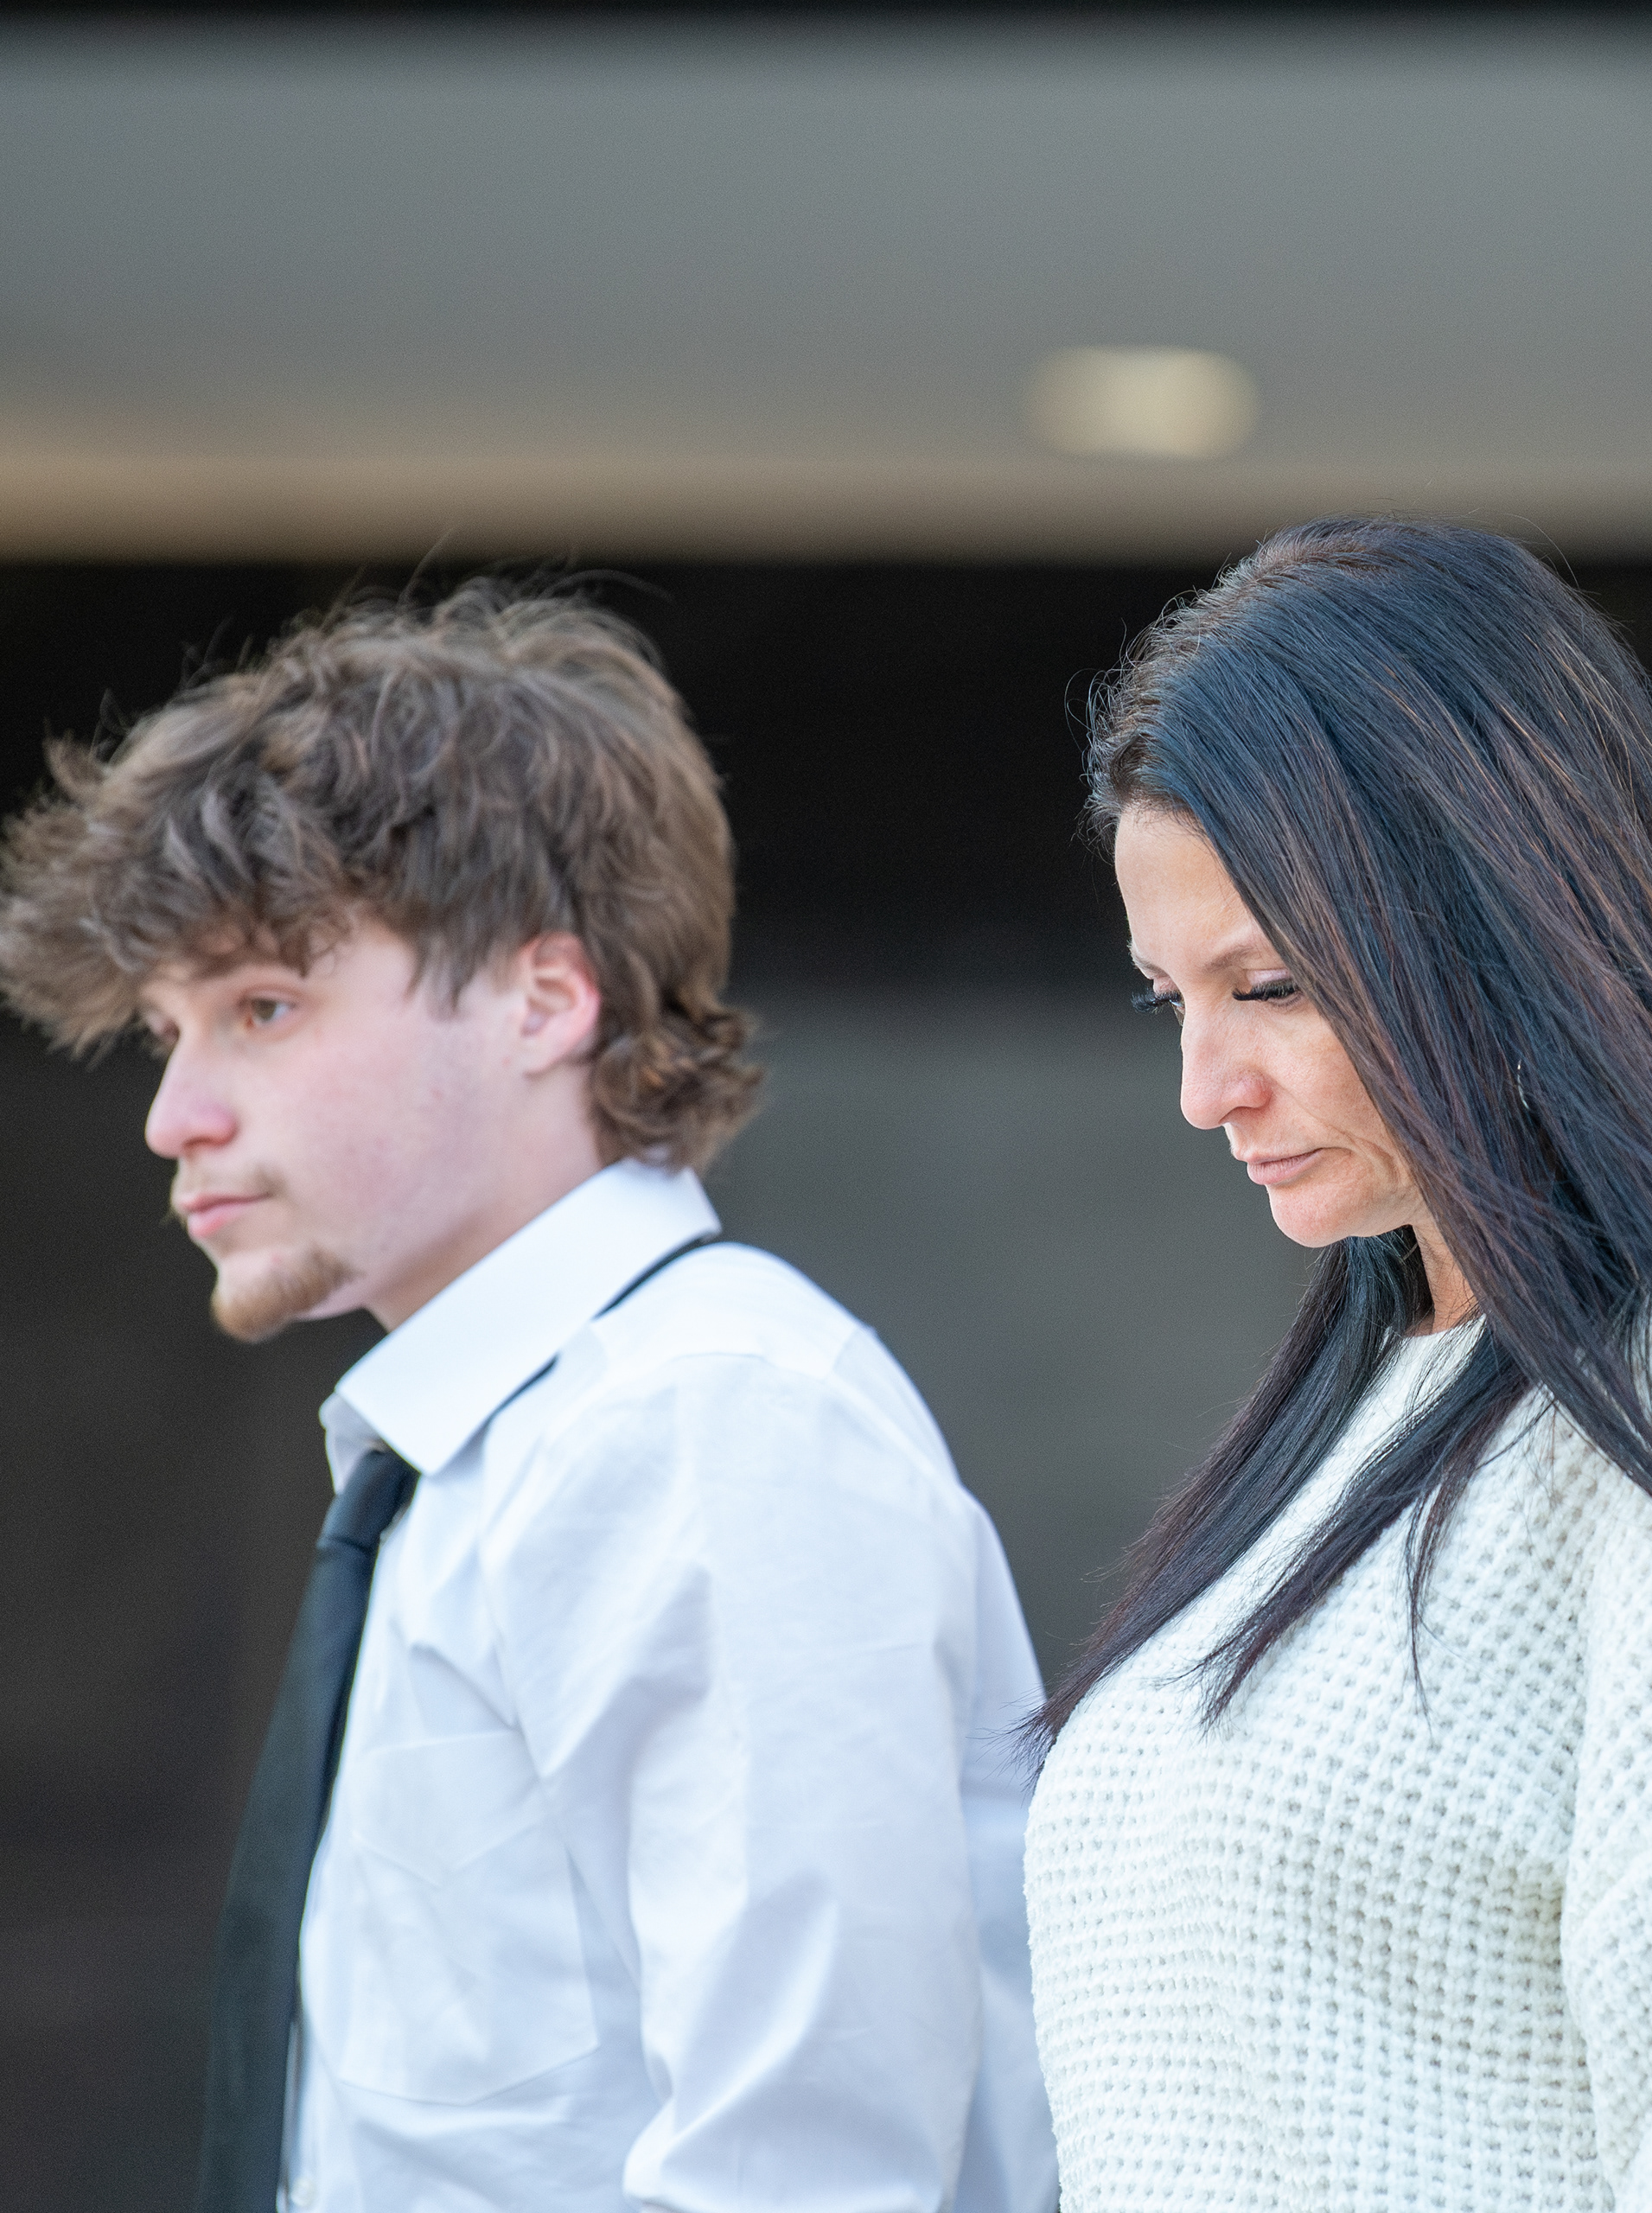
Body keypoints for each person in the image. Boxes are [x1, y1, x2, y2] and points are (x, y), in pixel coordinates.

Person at [0, 588, 1056, 2213]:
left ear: (546, 1000)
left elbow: (803, 2176)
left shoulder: (708, 1428)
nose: (174, 1114)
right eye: (163, 1033)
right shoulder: (486, 1456)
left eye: (263, 1008)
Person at [1025, 517, 1652, 2212]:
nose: (1208, 1086)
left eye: (1265, 985)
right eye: (1165, 998)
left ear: (1500, 917)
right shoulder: (1381, 1388)